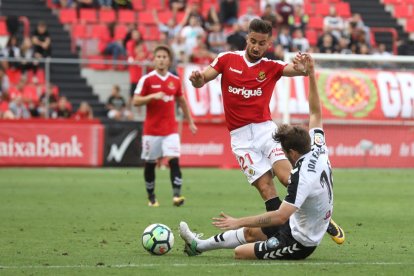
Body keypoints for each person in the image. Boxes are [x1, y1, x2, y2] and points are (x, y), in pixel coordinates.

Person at [188, 19, 344, 244]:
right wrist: (197, 80)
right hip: (241, 138)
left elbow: (295, 70)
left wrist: (303, 67)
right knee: (265, 187)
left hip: (266, 131)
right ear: (246, 38)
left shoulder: (271, 66)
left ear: (268, 44)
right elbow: (203, 77)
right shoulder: (227, 59)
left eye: (262, 43)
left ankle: (322, 216)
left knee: (287, 177)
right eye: (253, 41)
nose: (256, 47)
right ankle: (282, 231)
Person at [133, 45, 197, 207]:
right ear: (154, 59)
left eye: (164, 57)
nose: (161, 59)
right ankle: (151, 197)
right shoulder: (146, 80)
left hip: (170, 130)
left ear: (169, 61)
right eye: (158, 57)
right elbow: (135, 101)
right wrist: (152, 96)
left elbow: (182, 101)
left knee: (174, 160)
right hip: (151, 131)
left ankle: (177, 195)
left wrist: (190, 121)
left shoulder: (174, 81)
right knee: (150, 163)